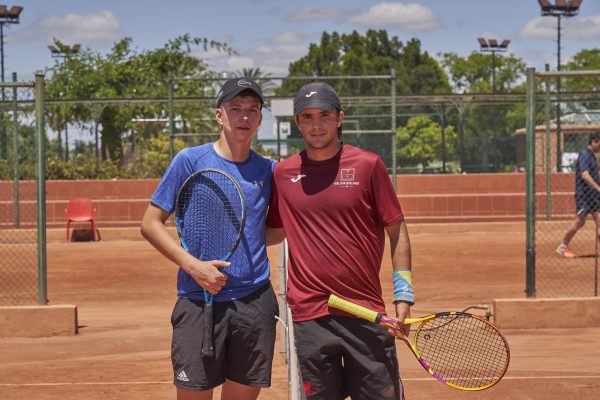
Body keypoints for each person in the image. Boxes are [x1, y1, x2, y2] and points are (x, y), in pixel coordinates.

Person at [266, 82, 413, 400]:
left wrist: (404, 293)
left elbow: (396, 229)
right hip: (311, 316)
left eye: (324, 115)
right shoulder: (283, 173)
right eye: (307, 117)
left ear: (339, 118)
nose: (316, 124)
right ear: (298, 123)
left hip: (365, 312)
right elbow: (272, 232)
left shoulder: (368, 165)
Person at [141, 77, 278, 400]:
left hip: (254, 303)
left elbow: (264, 231)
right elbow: (150, 224)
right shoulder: (189, 161)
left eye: (252, 110)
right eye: (236, 109)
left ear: (259, 119)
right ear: (219, 115)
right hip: (196, 301)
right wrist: (194, 267)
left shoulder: (268, 170)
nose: (244, 117)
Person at [557, 133, 600, 258]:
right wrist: (598, 188)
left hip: (594, 196)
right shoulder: (584, 155)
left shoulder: (592, 156)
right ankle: (562, 247)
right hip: (584, 195)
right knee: (580, 222)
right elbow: (584, 175)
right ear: (594, 141)